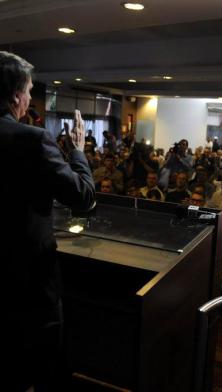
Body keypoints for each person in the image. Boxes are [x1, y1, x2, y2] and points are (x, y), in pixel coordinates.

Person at [0, 51, 95, 391]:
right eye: (27, 91)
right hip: (29, 282)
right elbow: (83, 197)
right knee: (41, 368)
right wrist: (79, 151)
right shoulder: (32, 139)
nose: (29, 98)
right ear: (16, 96)